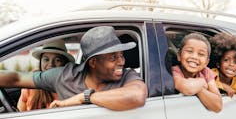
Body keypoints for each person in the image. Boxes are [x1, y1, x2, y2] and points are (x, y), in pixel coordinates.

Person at [0, 26, 147, 111]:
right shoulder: (63, 76)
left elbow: (137, 96)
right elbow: (16, 78)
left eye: (121, 55)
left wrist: (83, 98)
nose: (122, 61)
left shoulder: (127, 76)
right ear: (93, 62)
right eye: (113, 57)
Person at [17, 40, 75, 111]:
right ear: (40, 63)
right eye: (46, 59)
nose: (51, 64)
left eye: (57, 60)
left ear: (65, 64)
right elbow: (19, 113)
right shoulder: (30, 86)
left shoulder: (72, 88)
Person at [172, 33, 222, 113]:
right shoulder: (175, 71)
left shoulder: (206, 72)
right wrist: (202, 82)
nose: (194, 57)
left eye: (201, 54)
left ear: (206, 62)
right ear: (179, 55)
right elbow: (188, 88)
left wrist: (198, 88)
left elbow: (218, 106)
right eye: (189, 51)